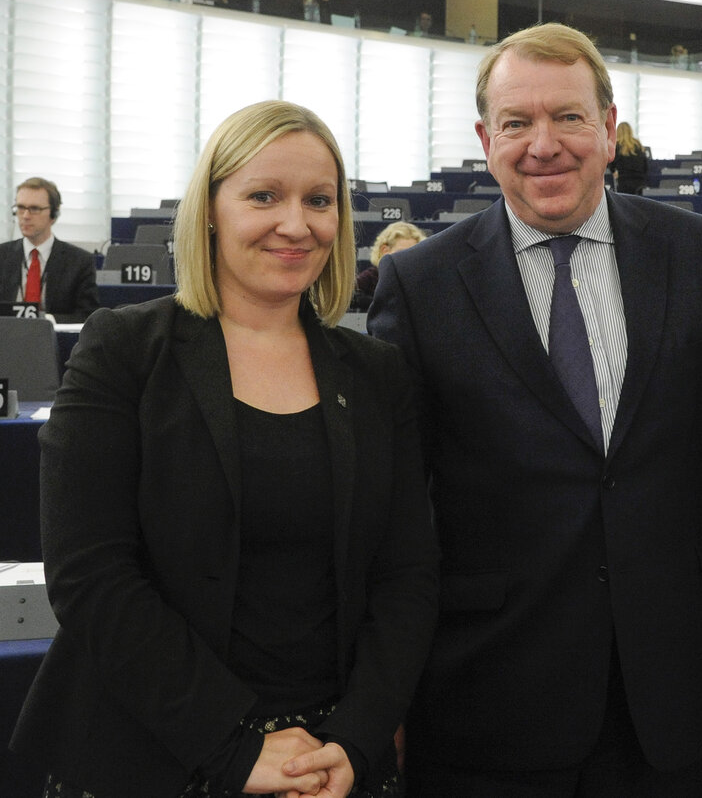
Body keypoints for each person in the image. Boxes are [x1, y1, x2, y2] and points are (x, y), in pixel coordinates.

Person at [368, 22, 702, 797]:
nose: (543, 144)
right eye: (517, 124)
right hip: (482, 690)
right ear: (486, 138)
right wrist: (383, 681)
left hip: (661, 689)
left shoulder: (698, 253)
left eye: (568, 117)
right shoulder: (421, 286)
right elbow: (395, 508)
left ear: (610, 128)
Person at [10, 100, 439, 798]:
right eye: (263, 195)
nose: (296, 223)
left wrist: (356, 737)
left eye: (319, 200)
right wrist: (235, 746)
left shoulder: (376, 373)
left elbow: (407, 574)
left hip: (332, 761)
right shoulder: (123, 349)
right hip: (158, 749)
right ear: (210, 209)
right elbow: (92, 575)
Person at [1, 177, 99, 322]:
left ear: (54, 214)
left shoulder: (80, 262)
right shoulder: (2, 256)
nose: (25, 216)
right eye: (21, 208)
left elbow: (87, 317)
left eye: (34, 209)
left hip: (57, 341)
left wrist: (47, 320)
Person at [352, 221, 427, 310]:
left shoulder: (421, 280)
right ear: (385, 250)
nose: (408, 258)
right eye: (401, 253)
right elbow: (349, 297)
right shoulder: (371, 277)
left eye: (413, 253)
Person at [610, 121, 649, 194]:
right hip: (640, 184)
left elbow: (611, 164)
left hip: (623, 183)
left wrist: (614, 172)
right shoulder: (638, 144)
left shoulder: (617, 146)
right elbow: (645, 167)